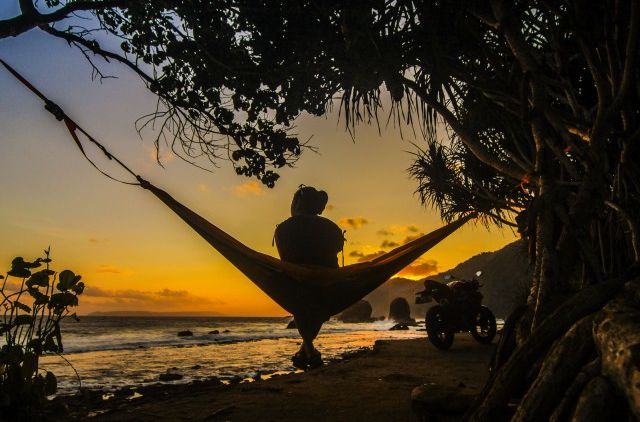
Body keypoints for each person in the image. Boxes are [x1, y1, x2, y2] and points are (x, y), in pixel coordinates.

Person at [274, 185, 344, 369]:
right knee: (316, 309)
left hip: (295, 284)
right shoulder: (332, 228)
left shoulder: (283, 229)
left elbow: (285, 259)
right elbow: (336, 251)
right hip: (328, 284)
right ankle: (308, 350)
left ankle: (309, 350)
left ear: (297, 203)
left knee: (302, 306)